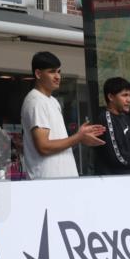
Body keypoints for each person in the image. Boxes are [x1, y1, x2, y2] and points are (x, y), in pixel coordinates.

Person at [21, 51, 105, 179]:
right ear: (38, 74)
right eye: (52, 72)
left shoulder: (53, 101)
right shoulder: (36, 101)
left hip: (61, 180)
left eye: (59, 72)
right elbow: (43, 147)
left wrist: (81, 137)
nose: (57, 76)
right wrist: (78, 137)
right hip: (47, 181)